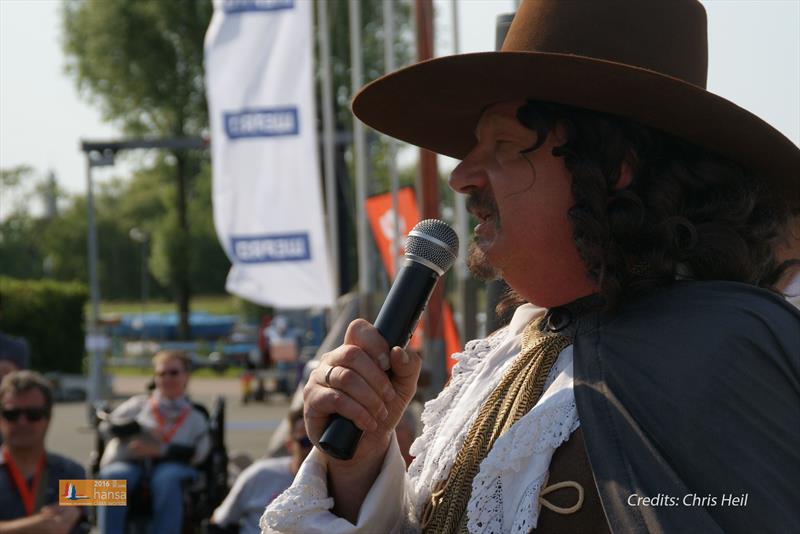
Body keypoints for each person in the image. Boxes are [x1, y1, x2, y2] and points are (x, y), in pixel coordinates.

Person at [262, 1, 799, 533]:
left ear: (615, 169)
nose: (463, 177)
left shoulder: (726, 347)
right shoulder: (515, 350)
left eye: (504, 145)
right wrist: (361, 464)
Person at [97, 350, 210, 534]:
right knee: (114, 476)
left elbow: (200, 453)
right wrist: (140, 428)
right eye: (161, 374)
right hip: (129, 462)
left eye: (173, 373)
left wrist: (161, 450)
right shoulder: (138, 405)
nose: (167, 378)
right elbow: (105, 427)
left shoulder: (195, 416)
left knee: (166, 477)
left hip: (174, 468)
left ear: (186, 377)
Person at [0, 370, 87, 534]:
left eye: (33, 415)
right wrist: (39, 524)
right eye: (11, 414)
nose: (22, 422)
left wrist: (78, 508)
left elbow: (120, 496)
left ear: (48, 419)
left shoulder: (68, 471)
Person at [210, 407, 312, 534]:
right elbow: (220, 520)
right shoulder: (259, 474)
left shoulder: (337, 484)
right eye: (306, 442)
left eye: (319, 442)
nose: (314, 449)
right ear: (290, 445)